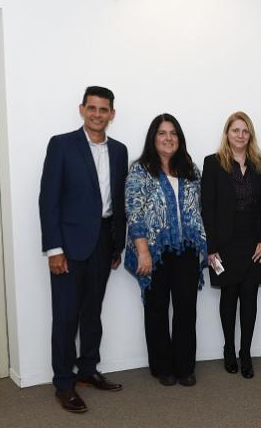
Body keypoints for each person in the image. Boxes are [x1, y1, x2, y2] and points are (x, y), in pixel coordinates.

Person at [39, 86, 127, 413]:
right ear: (82, 109)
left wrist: (116, 244)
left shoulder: (119, 151)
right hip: (69, 245)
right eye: (92, 108)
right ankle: (64, 382)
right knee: (66, 317)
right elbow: (48, 201)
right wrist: (54, 249)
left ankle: (88, 370)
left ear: (112, 115)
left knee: (93, 312)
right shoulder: (62, 145)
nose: (97, 114)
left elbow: (117, 202)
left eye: (104, 110)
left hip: (104, 242)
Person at [124, 113, 207, 387]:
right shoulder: (140, 170)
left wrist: (203, 246)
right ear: (153, 137)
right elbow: (134, 212)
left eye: (173, 133)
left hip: (186, 250)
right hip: (154, 251)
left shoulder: (191, 169)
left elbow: (200, 209)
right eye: (162, 133)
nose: (168, 138)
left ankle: (185, 367)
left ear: (179, 139)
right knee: (157, 310)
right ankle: (162, 367)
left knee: (186, 309)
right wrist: (143, 251)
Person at [201, 111, 261, 379]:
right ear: (227, 134)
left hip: (254, 243)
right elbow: (206, 208)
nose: (240, 135)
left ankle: (246, 353)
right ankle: (229, 349)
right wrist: (210, 247)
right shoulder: (212, 163)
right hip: (224, 244)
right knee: (228, 297)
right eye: (235, 130)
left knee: (250, 298)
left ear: (250, 134)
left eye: (245, 131)